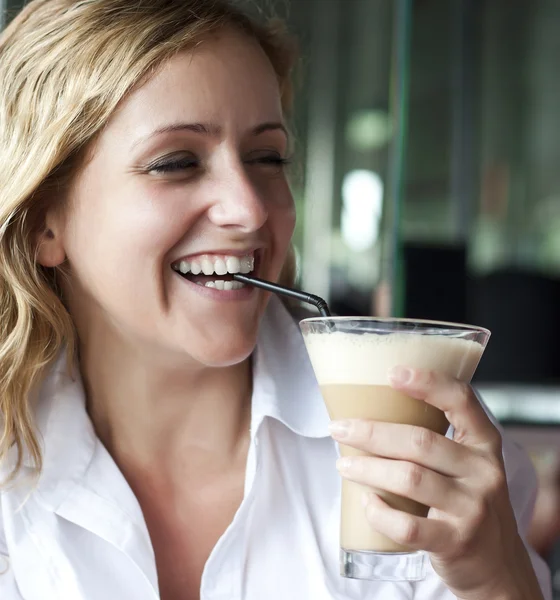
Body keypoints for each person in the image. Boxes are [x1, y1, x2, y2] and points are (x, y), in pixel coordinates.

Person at [0, 1, 551, 599]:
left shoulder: (423, 444)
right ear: (43, 225)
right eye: (176, 163)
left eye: (267, 158)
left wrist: (496, 580)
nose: (250, 208)